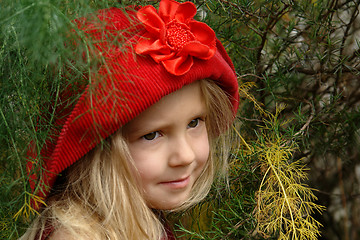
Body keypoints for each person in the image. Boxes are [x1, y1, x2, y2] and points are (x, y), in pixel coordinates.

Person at [21, 0, 239, 239]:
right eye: (151, 135)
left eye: (194, 122)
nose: (185, 156)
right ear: (91, 151)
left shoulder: (138, 220)